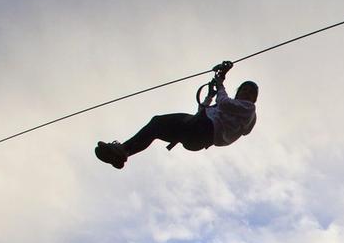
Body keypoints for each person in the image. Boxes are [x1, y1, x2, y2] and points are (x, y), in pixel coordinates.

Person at [95, 61, 258, 169]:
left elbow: (224, 102)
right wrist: (210, 95)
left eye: (251, 92)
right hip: (195, 135)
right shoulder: (227, 110)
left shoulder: (248, 109)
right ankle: (123, 152)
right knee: (155, 127)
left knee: (157, 122)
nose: (247, 93)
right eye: (245, 89)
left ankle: (123, 149)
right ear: (239, 92)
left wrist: (220, 82)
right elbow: (202, 111)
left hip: (203, 131)